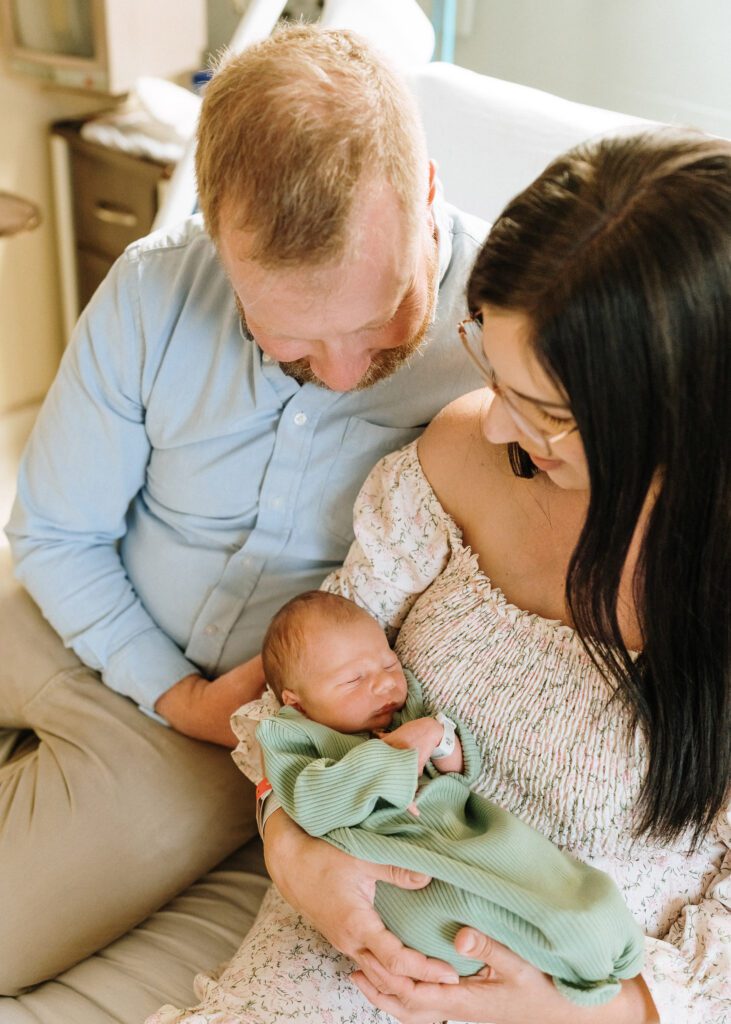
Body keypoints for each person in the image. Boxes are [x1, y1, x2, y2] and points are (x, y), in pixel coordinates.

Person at [167, 129, 728, 1024]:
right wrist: (289, 848)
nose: (498, 427)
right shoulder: (460, 461)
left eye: (545, 412)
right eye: (490, 367)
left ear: (682, 419)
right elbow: (302, 690)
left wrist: (573, 1011)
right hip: (337, 957)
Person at [0, 25, 486, 993]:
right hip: (58, 620)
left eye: (382, 319)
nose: (344, 374)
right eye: (289, 347)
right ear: (224, 250)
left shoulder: (502, 342)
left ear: (427, 188)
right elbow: (53, 533)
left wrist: (194, 712)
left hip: (211, 743)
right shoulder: (155, 290)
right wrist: (165, 684)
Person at [145, 590, 645, 1024]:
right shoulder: (295, 736)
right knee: (471, 913)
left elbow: (458, 771)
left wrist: (441, 737)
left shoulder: (401, 708)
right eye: (354, 680)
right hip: (393, 866)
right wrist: (401, 749)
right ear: (296, 702)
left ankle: (595, 947)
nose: (384, 684)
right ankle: (565, 958)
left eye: (388, 665)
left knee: (555, 886)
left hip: (459, 833)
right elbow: (315, 802)